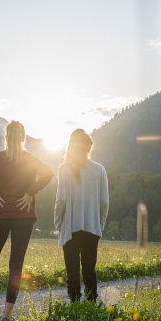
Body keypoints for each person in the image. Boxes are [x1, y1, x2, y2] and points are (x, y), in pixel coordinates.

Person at [0, 120, 53, 321]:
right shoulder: (30, 160)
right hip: (23, 217)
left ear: (6, 137)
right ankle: (6, 317)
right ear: (24, 138)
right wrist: (30, 192)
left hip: (1, 214)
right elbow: (49, 174)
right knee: (16, 266)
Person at [54, 129, 109, 303]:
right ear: (88, 147)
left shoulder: (64, 170)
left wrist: (58, 224)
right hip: (92, 228)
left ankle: (75, 305)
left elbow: (60, 200)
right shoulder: (99, 170)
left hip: (70, 228)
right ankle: (92, 305)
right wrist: (99, 224)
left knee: (72, 270)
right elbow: (104, 203)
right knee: (89, 269)